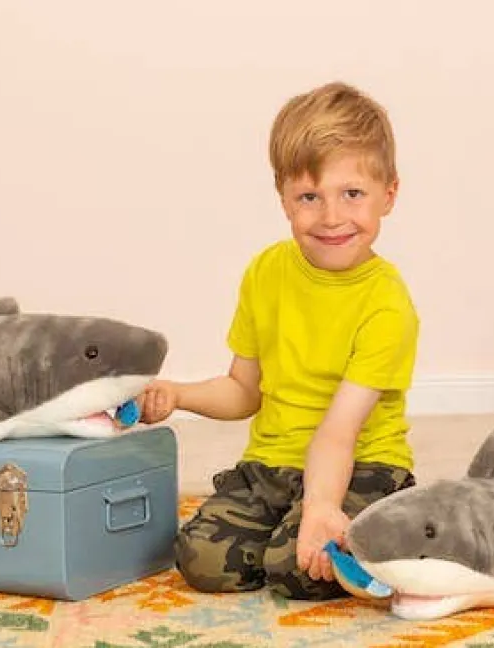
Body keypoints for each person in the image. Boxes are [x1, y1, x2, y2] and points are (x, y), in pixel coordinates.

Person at [140, 80, 420, 601]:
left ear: (389, 194)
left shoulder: (388, 305)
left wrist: (320, 507)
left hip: (362, 466)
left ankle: (383, 529)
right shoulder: (266, 272)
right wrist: (177, 395)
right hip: (274, 465)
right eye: (310, 197)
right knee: (200, 559)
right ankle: (295, 530)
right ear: (284, 199)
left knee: (296, 569)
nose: (331, 217)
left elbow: (339, 431)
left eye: (352, 194)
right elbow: (243, 390)